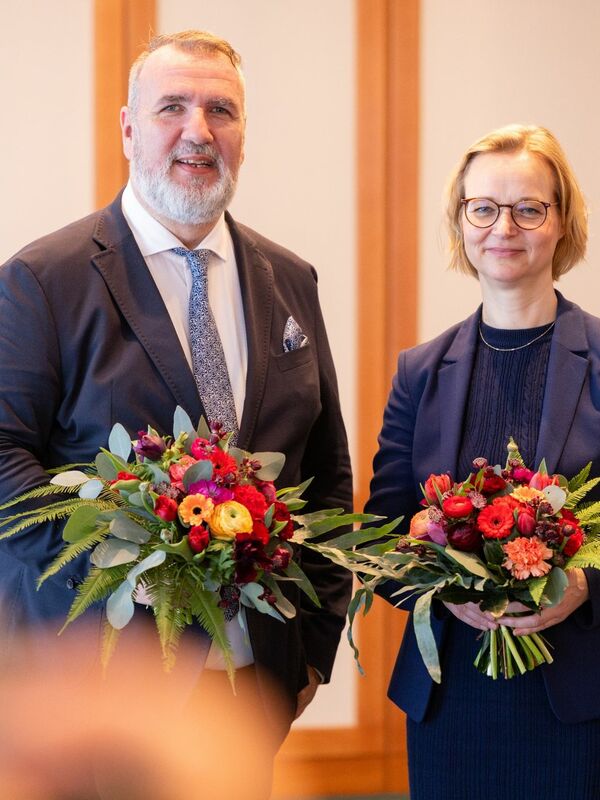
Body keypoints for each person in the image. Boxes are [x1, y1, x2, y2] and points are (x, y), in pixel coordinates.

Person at [0, 29, 352, 755]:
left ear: (243, 134)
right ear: (130, 129)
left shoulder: (292, 280)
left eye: (221, 110)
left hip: (252, 687)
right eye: (172, 108)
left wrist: (312, 651)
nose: (199, 132)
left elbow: (326, 473)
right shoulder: (44, 280)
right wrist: (131, 562)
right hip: (95, 688)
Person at [365, 124, 600, 799]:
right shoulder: (420, 371)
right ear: (461, 222)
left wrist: (582, 587)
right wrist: (438, 576)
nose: (504, 227)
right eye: (483, 208)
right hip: (452, 699)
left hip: (580, 697)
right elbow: (382, 535)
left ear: (562, 224)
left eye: (529, 208)